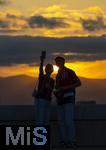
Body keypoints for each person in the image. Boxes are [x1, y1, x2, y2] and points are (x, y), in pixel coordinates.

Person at [54, 56, 81, 148]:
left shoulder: (70, 72)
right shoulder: (58, 74)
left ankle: (72, 141)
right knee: (61, 121)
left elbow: (79, 83)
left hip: (69, 99)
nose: (58, 63)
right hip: (60, 99)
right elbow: (57, 87)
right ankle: (65, 141)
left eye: (59, 61)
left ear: (63, 62)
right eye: (56, 62)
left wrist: (65, 88)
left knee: (69, 121)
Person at [33, 52, 54, 126]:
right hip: (41, 99)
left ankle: (43, 136)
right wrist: (42, 61)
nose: (49, 69)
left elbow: (52, 90)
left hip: (47, 100)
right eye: (48, 68)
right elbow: (40, 69)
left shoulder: (52, 80)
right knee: (41, 120)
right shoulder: (42, 77)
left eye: (50, 68)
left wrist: (49, 87)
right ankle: (40, 136)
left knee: (45, 120)